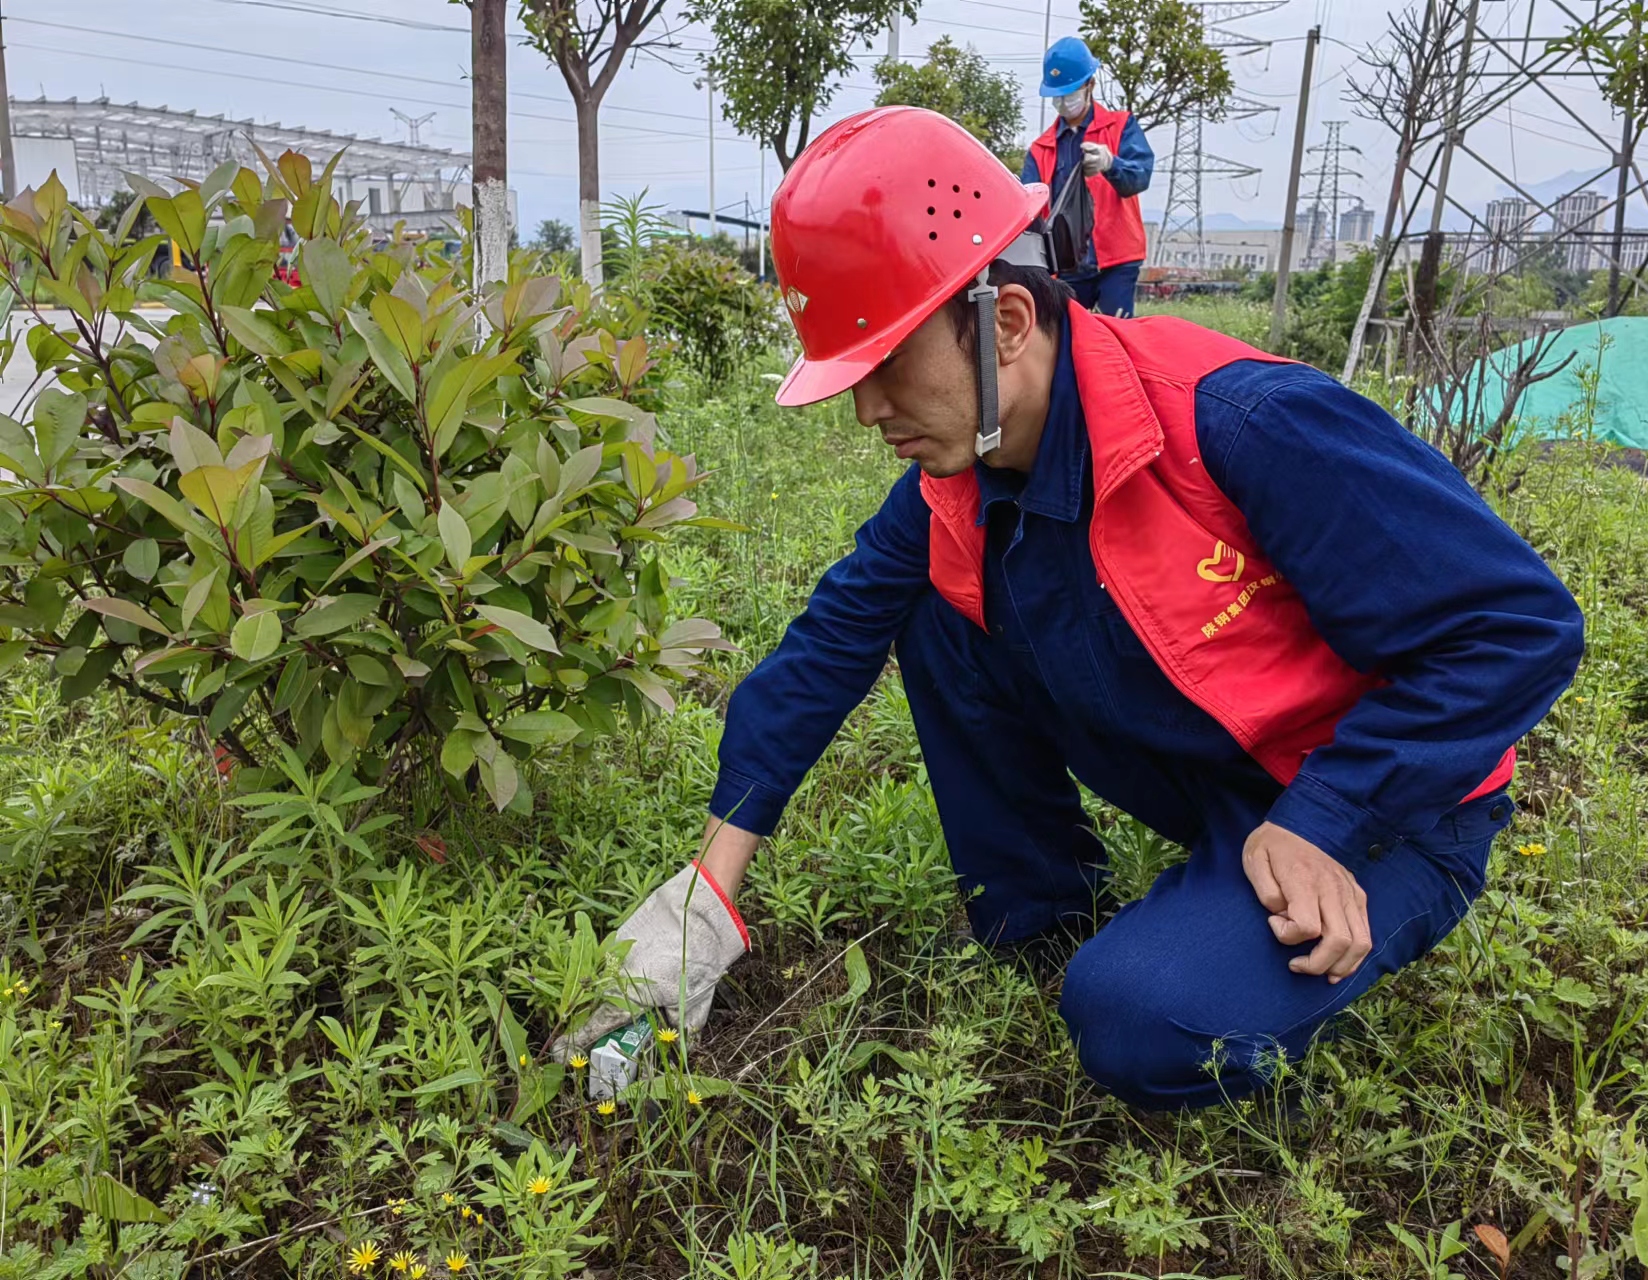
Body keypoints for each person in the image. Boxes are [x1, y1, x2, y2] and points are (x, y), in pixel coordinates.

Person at [558, 108, 1584, 1111]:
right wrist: (704, 895)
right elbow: (825, 648)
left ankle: (1267, 948)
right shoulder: (954, 483)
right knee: (930, 608)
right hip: (1211, 770)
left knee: (1142, 1023)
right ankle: (1047, 922)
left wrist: (1326, 818)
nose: (867, 411)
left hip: (1387, 803)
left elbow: (1518, 627)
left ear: (1004, 322)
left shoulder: (1238, 421)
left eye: (889, 366)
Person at [1018, 36, 1154, 318]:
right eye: (1058, 95)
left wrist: (1111, 163)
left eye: (1070, 93)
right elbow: (1027, 210)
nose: (1063, 102)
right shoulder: (1041, 149)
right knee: (1068, 337)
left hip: (1116, 261)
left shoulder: (1121, 127)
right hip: (1067, 265)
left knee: (1115, 332)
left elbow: (1140, 177)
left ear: (1090, 84)